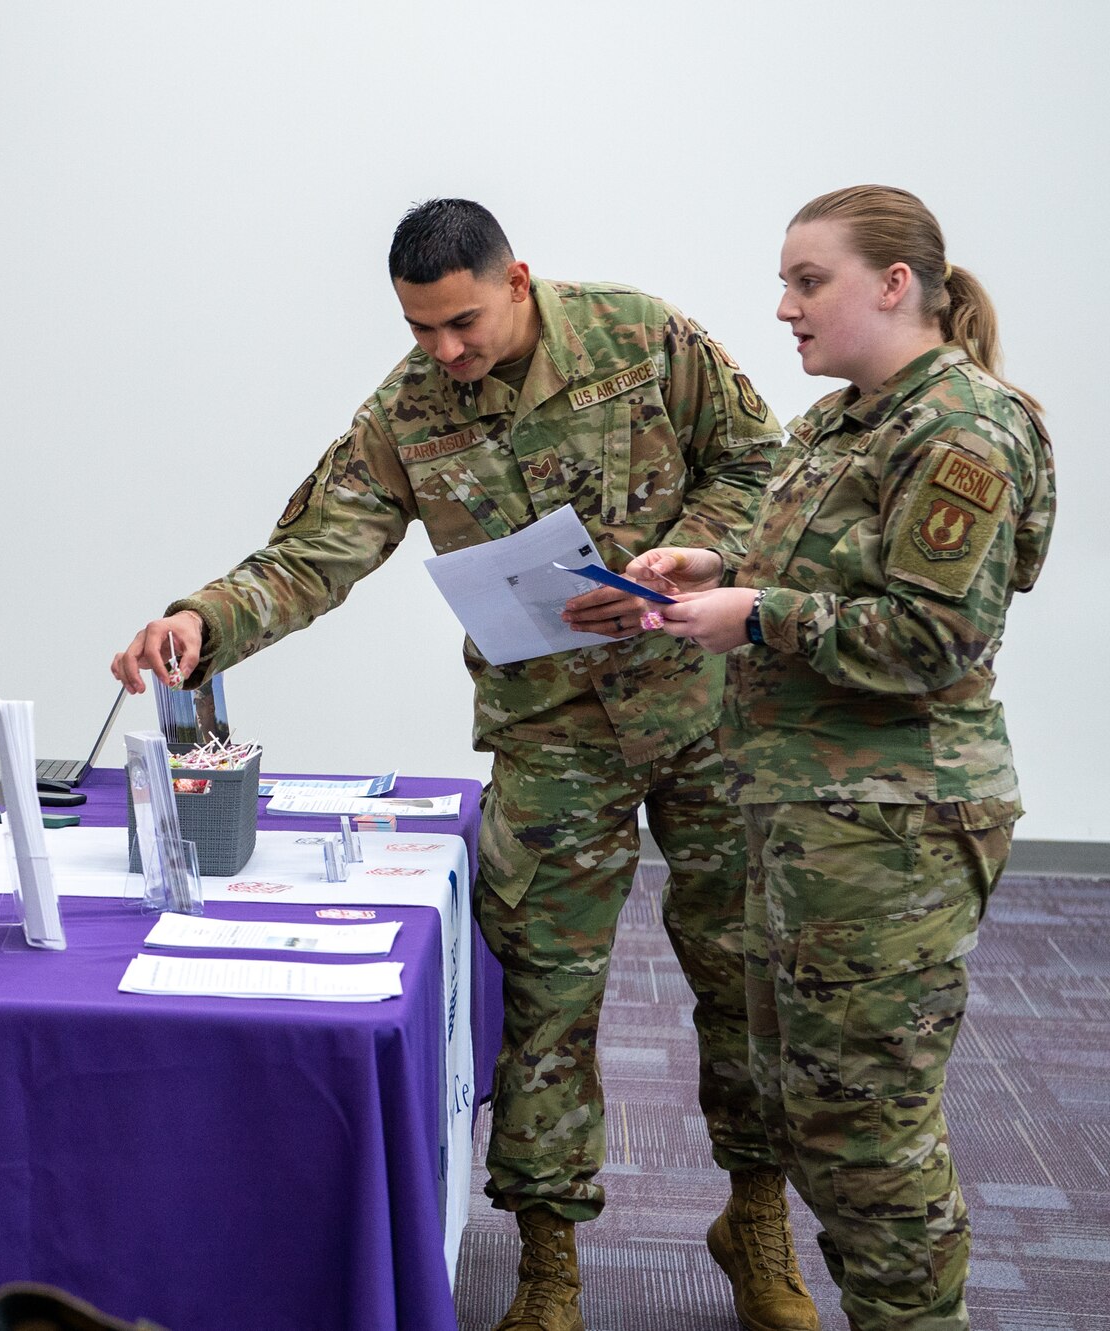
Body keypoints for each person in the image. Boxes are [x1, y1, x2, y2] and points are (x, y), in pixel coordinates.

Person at [112, 199, 816, 1331]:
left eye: (460, 322)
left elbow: (759, 463)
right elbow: (315, 548)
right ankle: (547, 1264)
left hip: (704, 706)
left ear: (517, 279)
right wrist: (203, 617)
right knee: (543, 997)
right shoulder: (408, 405)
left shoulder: (639, 337)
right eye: (419, 328)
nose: (443, 350)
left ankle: (756, 1218)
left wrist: (698, 549)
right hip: (547, 726)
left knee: (745, 981)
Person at [646, 185, 1055, 1331]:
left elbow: (935, 633)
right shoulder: (838, 420)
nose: (781, 306)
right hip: (804, 812)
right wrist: (704, 559)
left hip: (896, 828)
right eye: (783, 281)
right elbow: (797, 554)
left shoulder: (961, 429)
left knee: (869, 1131)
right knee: (804, 1106)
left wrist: (757, 615)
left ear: (893, 284)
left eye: (806, 280)